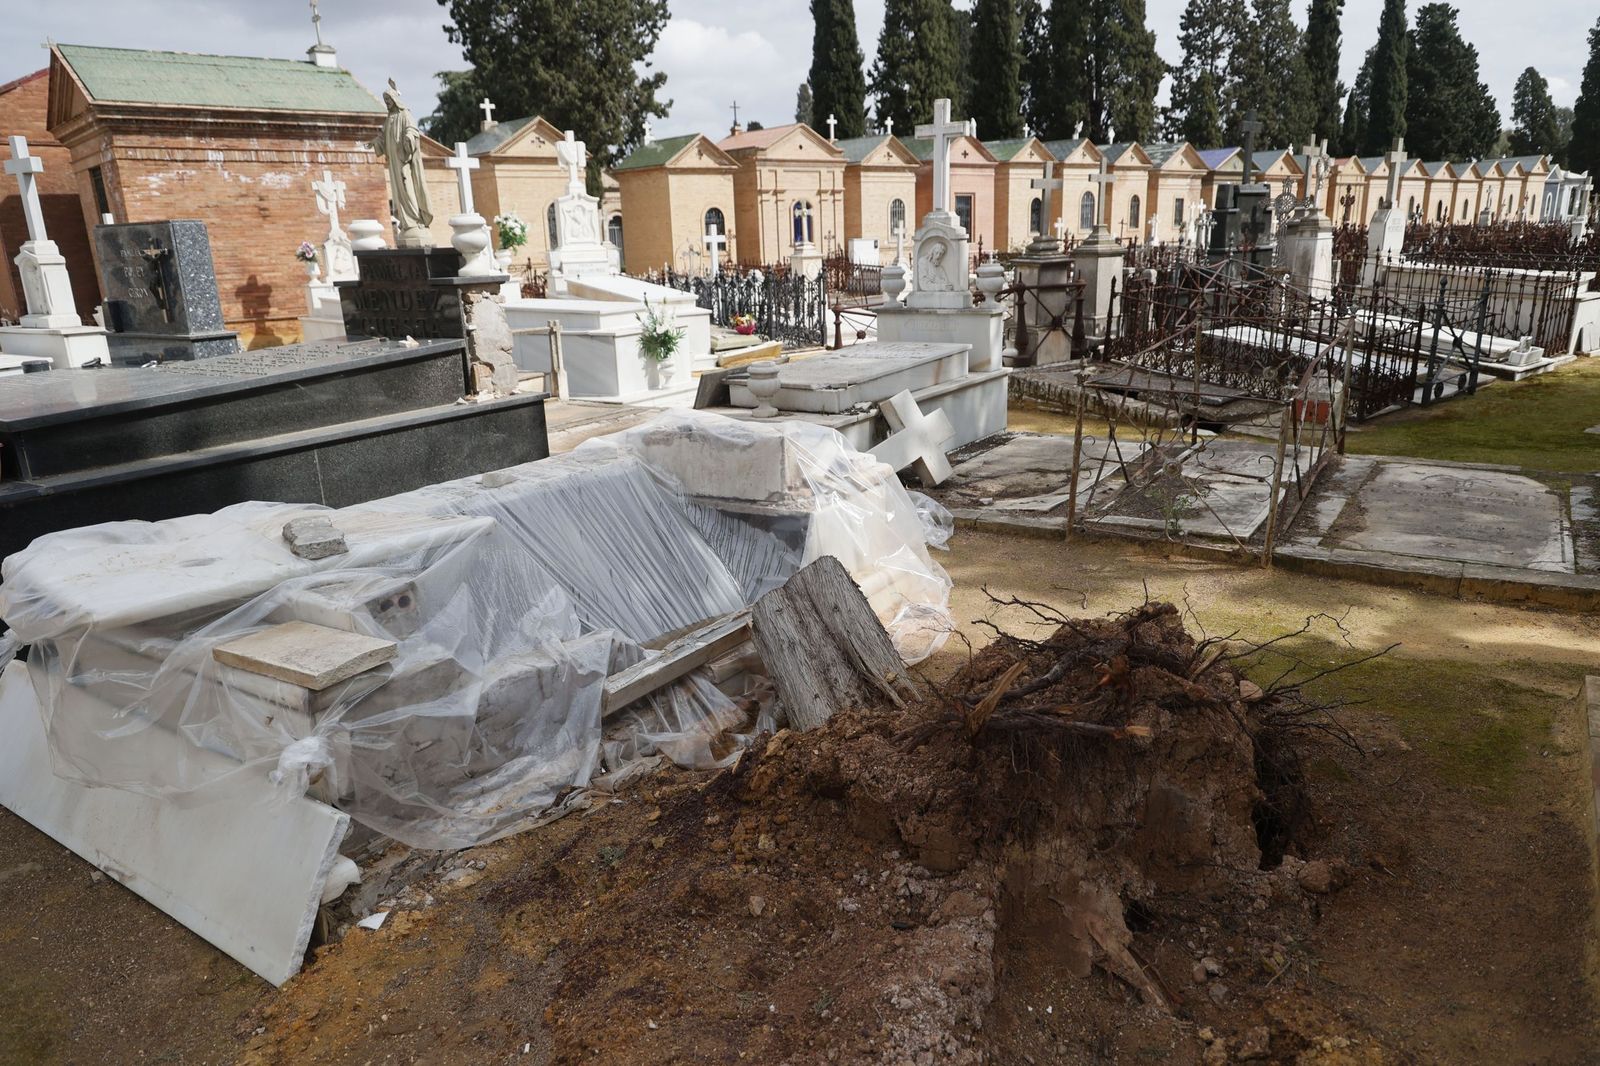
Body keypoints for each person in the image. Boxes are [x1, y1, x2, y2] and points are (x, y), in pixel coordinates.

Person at [372, 81, 432, 246]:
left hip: (404, 160)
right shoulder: (389, 119)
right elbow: (382, 138)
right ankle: (407, 223)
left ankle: (415, 219)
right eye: (385, 100)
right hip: (394, 164)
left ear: (395, 99)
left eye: (389, 99)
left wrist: (409, 137)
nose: (387, 103)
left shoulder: (405, 114)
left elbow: (412, 129)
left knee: (408, 188)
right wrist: (375, 143)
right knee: (399, 192)